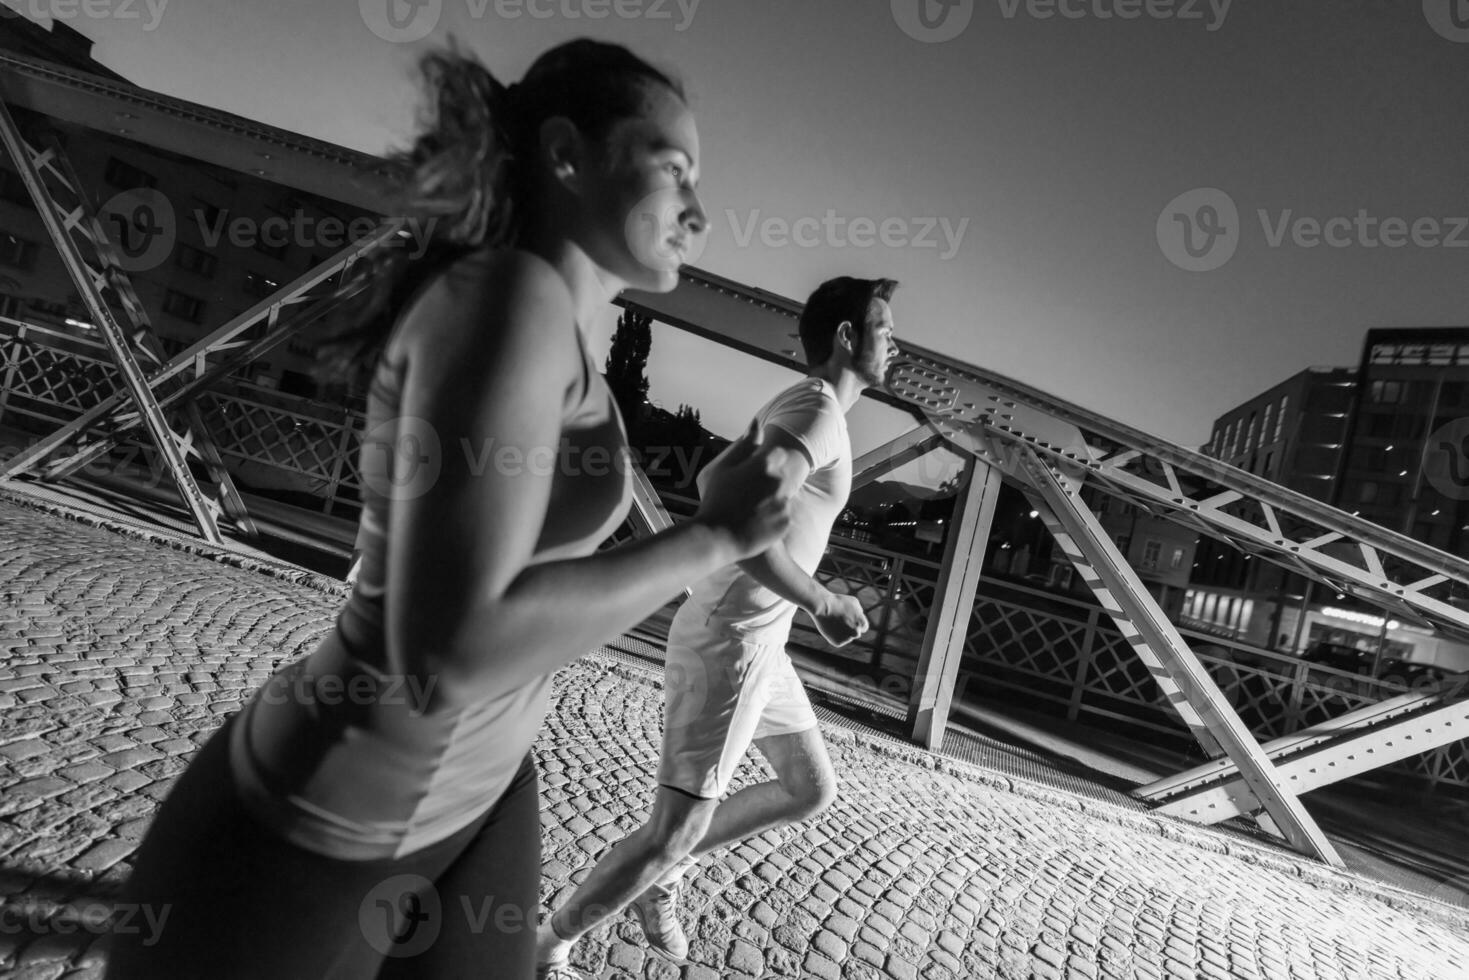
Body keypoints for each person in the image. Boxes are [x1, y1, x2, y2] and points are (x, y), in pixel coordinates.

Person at [106, 39, 800, 980]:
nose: (699, 212)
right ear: (566, 155)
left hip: (480, 796)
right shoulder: (507, 297)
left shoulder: (558, 324)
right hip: (326, 828)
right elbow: (448, 654)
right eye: (671, 170)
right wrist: (714, 536)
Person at [535, 276, 900, 977]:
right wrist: (823, 602)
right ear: (847, 338)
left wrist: (795, 594)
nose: (897, 346)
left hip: (759, 639)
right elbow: (730, 515)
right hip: (731, 644)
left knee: (807, 788)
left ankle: (666, 876)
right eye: (885, 330)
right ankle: (548, 945)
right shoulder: (818, 410)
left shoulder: (804, 407)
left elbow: (711, 482)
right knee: (672, 831)